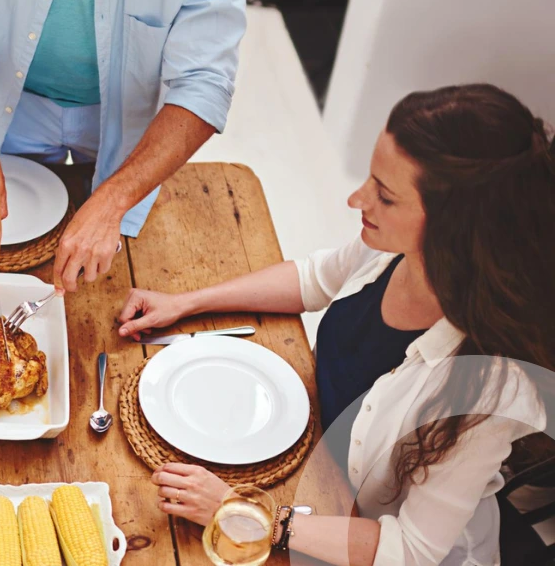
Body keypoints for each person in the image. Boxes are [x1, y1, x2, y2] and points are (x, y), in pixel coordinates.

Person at [117, 84, 554, 565]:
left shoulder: (485, 389)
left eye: (385, 196)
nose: (355, 199)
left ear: (458, 229)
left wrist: (241, 511)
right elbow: (312, 278)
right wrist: (186, 303)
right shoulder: (392, 249)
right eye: (370, 178)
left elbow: (409, 550)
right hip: (317, 471)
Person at [0, 0, 248, 292]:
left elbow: (204, 80)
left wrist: (114, 201)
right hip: (8, 105)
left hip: (133, 121)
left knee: (119, 273)